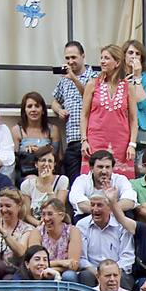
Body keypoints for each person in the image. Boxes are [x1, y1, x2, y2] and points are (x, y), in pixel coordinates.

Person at [82, 44, 137, 177]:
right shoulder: (92, 84)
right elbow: (84, 115)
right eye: (101, 58)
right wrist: (84, 140)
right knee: (93, 179)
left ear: (117, 62)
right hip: (95, 140)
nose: (102, 61)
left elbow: (133, 119)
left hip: (121, 143)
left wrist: (132, 144)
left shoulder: (128, 87)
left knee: (121, 183)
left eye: (106, 58)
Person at [51, 41, 95, 184]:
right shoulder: (64, 80)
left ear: (83, 56)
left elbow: (91, 98)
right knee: (74, 183)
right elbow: (54, 101)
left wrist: (74, 79)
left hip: (91, 140)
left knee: (91, 182)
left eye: (74, 57)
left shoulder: (95, 77)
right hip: (72, 140)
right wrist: (59, 110)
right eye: (67, 58)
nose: (70, 62)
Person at [12, 91, 61, 186]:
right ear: (24, 110)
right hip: (26, 173)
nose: (33, 110)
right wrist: (25, 152)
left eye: (37, 106)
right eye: (29, 106)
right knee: (33, 181)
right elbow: (14, 158)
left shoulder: (53, 129)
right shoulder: (17, 130)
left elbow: (58, 156)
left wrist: (41, 151)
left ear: (43, 110)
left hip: (48, 171)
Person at [20, 147, 69, 223]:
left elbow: (58, 209)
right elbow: (27, 215)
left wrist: (48, 185)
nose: (46, 164)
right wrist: (39, 224)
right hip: (35, 225)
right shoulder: (27, 185)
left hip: (54, 223)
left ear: (54, 165)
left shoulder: (62, 180)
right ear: (36, 164)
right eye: (43, 160)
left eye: (50, 161)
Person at [123, 38, 146, 153]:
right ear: (124, 56)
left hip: (141, 129)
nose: (134, 56)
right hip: (120, 128)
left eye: (138, 54)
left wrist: (137, 77)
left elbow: (144, 104)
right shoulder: (116, 77)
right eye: (130, 53)